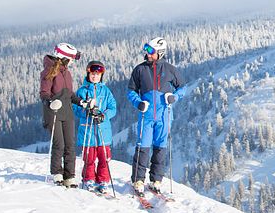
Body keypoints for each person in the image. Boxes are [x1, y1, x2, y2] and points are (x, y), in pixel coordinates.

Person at [127, 37, 185, 195]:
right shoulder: (140, 69)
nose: (147, 53)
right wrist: (138, 102)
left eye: (151, 51)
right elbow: (131, 91)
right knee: (143, 147)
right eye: (146, 49)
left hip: (164, 115)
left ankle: (156, 180)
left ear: (160, 53)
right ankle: (138, 179)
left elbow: (182, 87)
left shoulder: (170, 69)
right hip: (146, 115)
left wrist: (174, 97)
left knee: (160, 148)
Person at [40, 43, 91, 187]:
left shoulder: (66, 73)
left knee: (70, 144)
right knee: (59, 144)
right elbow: (44, 93)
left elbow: (69, 95)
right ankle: (57, 173)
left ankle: (69, 176)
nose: (72, 61)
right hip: (54, 113)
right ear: (64, 57)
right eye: (71, 58)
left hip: (67, 112)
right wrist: (50, 102)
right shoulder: (48, 71)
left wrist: (82, 102)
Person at [73, 60, 117, 193]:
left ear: (101, 76)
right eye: (92, 74)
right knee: (89, 158)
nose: (95, 76)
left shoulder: (106, 91)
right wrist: (85, 110)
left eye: (97, 74)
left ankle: (103, 180)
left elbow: (113, 108)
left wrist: (103, 115)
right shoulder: (82, 91)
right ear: (88, 73)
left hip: (103, 130)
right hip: (88, 130)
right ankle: (89, 179)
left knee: (104, 158)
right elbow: (75, 108)